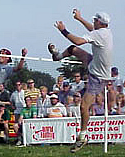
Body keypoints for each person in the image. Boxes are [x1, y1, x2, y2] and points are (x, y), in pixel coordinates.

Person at [48, 9, 113, 152]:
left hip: (98, 76)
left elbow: (78, 40)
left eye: (94, 20)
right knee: (73, 50)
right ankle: (57, 56)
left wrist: (63, 30)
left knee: (83, 107)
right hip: (94, 64)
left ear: (99, 22)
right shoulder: (105, 31)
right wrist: (79, 18)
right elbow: (92, 29)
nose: (93, 22)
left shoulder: (99, 33)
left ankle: (82, 137)